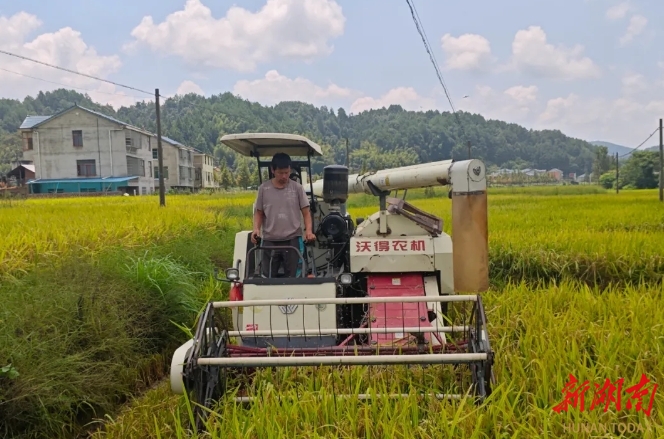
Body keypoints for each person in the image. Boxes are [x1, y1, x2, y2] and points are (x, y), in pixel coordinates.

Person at [252, 152, 316, 278]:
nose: (284, 176)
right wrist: (256, 230)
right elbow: (259, 213)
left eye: (286, 172)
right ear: (273, 170)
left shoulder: (297, 188)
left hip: (292, 239)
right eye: (280, 173)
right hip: (270, 240)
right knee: (269, 276)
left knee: (294, 276)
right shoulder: (264, 189)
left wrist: (308, 231)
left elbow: (306, 213)